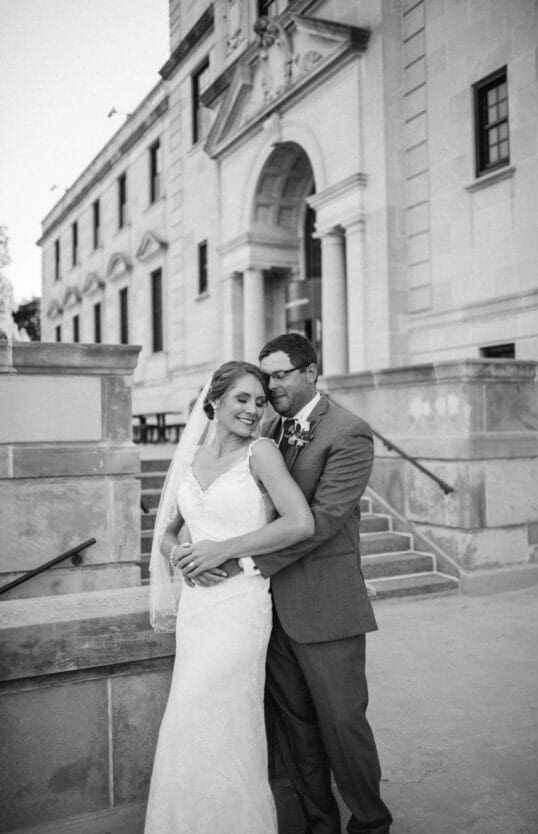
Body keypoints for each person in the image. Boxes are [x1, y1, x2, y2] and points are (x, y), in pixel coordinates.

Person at [181, 334, 393, 834]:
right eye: (265, 376)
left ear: (311, 374)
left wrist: (240, 561)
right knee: (297, 732)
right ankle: (320, 824)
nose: (269, 386)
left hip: (325, 607)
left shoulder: (349, 432)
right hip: (264, 613)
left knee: (343, 727)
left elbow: (320, 520)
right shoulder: (267, 428)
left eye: (279, 375)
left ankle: (370, 824)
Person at [144, 360, 314, 834]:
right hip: (198, 608)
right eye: (242, 399)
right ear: (214, 400)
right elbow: (168, 533)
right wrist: (182, 558)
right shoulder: (192, 457)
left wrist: (224, 549)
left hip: (241, 603)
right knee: (187, 715)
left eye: (260, 401)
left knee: (226, 716)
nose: (253, 410)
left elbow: (300, 521)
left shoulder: (260, 452)